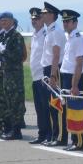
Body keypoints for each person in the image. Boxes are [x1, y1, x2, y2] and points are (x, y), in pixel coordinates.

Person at [60, 9, 83, 150]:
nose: (65, 24)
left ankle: (80, 141)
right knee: (69, 111)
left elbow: (79, 62)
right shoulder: (69, 38)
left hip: (74, 77)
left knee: (77, 110)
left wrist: (75, 84)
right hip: (66, 76)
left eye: (68, 21)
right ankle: (74, 140)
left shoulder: (78, 39)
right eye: (63, 21)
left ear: (75, 23)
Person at [42, 2, 67, 146]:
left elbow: (56, 55)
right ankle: (53, 135)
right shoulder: (50, 30)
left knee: (57, 105)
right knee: (51, 105)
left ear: (51, 15)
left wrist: (52, 75)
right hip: (49, 68)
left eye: (45, 13)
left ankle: (60, 137)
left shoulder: (56, 31)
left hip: (55, 69)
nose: (42, 15)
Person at [28, 8, 50, 144]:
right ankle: (41, 133)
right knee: (39, 108)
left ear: (42, 19)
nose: (34, 21)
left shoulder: (46, 34)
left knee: (46, 108)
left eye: (37, 19)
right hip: (35, 76)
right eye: (32, 19)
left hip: (43, 76)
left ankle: (48, 134)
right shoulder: (34, 34)